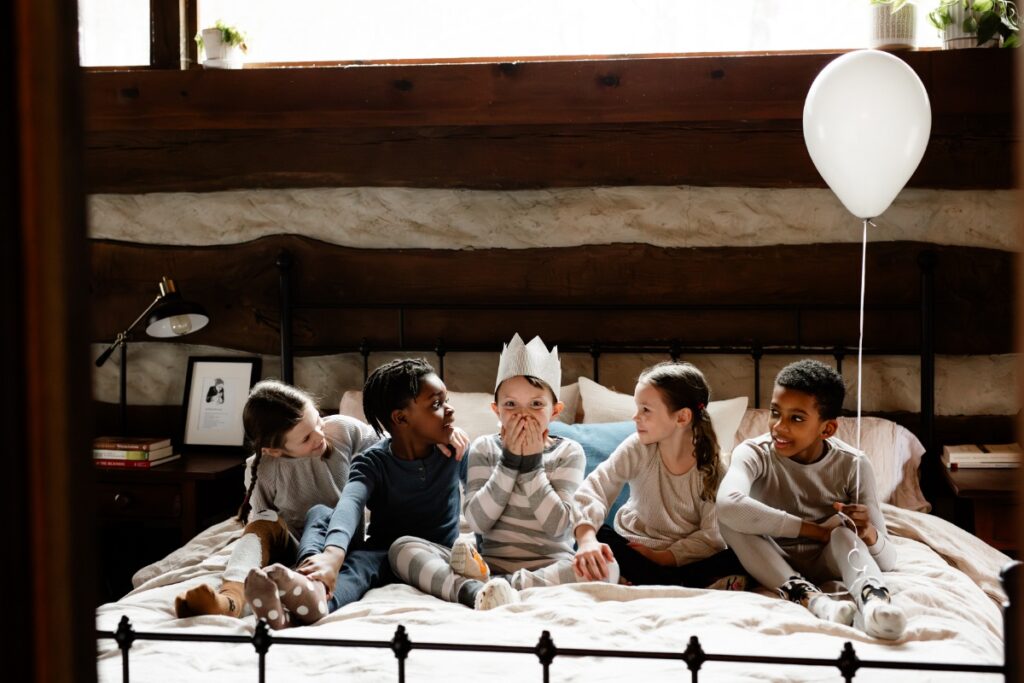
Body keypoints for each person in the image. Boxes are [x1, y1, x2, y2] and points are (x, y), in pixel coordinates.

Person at [243, 359, 470, 629]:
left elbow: (487, 497)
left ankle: (307, 591)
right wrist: (332, 557)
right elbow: (349, 504)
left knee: (361, 552)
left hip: (437, 553)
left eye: (446, 400)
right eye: (437, 404)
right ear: (400, 418)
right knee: (353, 560)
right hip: (381, 551)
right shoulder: (372, 462)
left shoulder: (456, 451)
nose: (450, 410)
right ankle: (310, 595)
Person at [389, 334, 597, 610]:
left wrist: (533, 463)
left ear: (555, 411)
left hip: (549, 566)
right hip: (486, 566)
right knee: (402, 548)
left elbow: (559, 529)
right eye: (511, 405)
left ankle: (504, 588)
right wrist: (510, 461)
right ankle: (471, 589)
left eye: (536, 404)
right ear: (496, 410)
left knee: (605, 566)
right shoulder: (486, 448)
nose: (523, 415)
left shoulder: (568, 453)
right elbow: (477, 522)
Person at [716, 359, 906, 640]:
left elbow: (889, 560)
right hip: (768, 560)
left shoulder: (853, 465)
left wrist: (867, 532)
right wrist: (813, 530)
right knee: (730, 521)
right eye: (775, 412)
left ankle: (874, 603)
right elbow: (728, 504)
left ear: (827, 429)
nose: (778, 427)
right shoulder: (752, 453)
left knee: (844, 534)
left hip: (826, 558)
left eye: (796, 418)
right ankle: (815, 602)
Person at [173, 379, 379, 618]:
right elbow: (262, 522)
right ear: (273, 450)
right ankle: (230, 600)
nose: (319, 436)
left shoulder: (346, 431)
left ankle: (300, 593)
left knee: (321, 513)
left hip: (345, 537)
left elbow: (390, 458)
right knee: (261, 523)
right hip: (296, 545)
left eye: (317, 421)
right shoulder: (262, 469)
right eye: (305, 439)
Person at [572, 361, 746, 590]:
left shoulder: (712, 466)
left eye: (646, 409)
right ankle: (676, 584)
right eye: (637, 408)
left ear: (682, 417)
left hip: (682, 558)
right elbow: (596, 488)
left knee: (739, 555)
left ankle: (656, 580)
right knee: (600, 535)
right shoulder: (638, 448)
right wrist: (586, 541)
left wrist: (663, 557)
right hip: (632, 547)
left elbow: (711, 536)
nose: (635, 417)